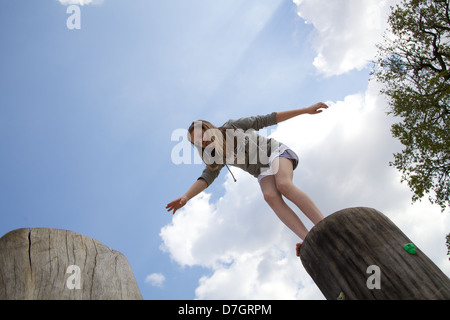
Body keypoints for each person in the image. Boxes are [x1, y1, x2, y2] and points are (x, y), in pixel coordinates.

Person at [166, 102, 328, 256]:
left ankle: (324, 224)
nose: (202, 141)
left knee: (283, 185)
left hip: (275, 152)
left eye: (202, 135)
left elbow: (267, 119)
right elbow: (206, 177)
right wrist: (186, 197)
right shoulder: (216, 157)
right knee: (270, 196)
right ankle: (308, 239)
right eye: (197, 142)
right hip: (262, 171)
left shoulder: (232, 126)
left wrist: (305, 110)